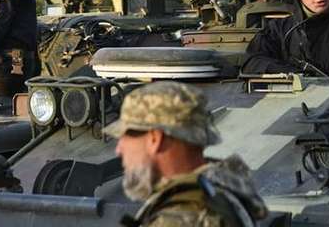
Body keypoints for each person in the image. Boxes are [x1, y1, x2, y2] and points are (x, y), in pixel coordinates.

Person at [107, 81, 267, 227]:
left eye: (125, 137)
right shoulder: (219, 193)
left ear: (155, 139)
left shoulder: (179, 218)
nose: (119, 149)